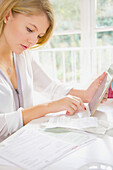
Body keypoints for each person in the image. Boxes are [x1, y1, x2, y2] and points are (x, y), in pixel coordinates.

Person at [0, 0, 107, 142]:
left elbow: (51, 87)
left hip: (23, 146)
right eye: (30, 29)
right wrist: (48, 107)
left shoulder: (22, 55)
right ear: (7, 15)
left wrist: (86, 95)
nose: (33, 41)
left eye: (39, 36)